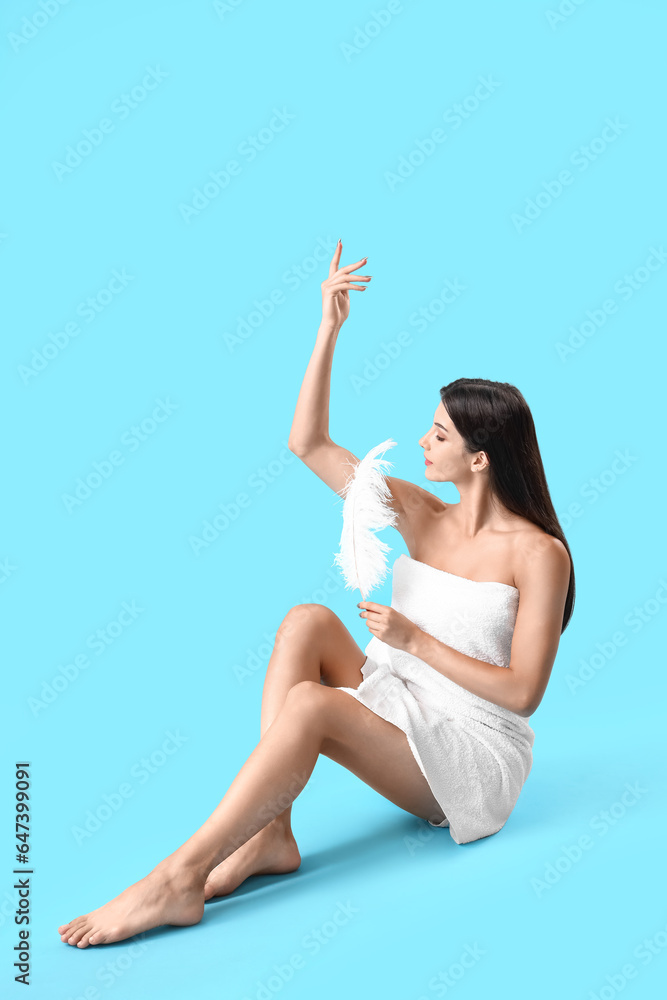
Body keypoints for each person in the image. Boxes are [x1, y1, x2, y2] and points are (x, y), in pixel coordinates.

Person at [58, 240, 573, 948]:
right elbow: (308, 443)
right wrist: (328, 328)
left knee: (311, 705)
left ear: (478, 459)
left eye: (439, 434)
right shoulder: (423, 513)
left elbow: (520, 694)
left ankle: (177, 878)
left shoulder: (539, 555)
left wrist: (414, 640)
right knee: (304, 621)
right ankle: (271, 832)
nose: (423, 442)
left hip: (469, 755)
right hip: (404, 701)